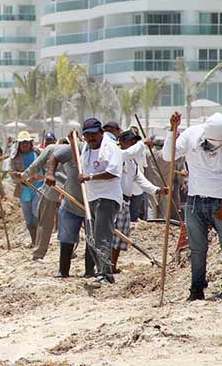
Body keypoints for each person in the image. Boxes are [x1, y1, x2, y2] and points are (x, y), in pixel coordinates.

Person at [163, 112, 222, 301]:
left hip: (220, 202)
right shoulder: (191, 134)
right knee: (196, 249)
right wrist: (173, 131)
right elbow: (167, 155)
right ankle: (196, 289)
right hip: (195, 201)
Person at [114, 131, 166, 273]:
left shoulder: (132, 163)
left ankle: (112, 265)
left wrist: (157, 190)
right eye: (131, 142)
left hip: (125, 202)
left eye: (135, 142)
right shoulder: (118, 155)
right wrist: (142, 143)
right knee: (112, 235)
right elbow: (131, 151)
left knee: (121, 236)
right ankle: (105, 266)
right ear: (123, 143)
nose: (133, 145)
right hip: (114, 201)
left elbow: (141, 181)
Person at [78, 118, 123, 285]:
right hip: (90, 197)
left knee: (102, 236)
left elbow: (113, 172)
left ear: (101, 133)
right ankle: (100, 270)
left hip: (107, 198)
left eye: (94, 134)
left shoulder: (111, 149)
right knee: (91, 238)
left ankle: (105, 274)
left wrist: (89, 177)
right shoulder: (85, 149)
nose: (91, 138)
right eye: (87, 135)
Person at [46, 135, 87, 278]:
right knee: (66, 239)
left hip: (92, 206)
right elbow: (54, 157)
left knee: (93, 239)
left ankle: (90, 271)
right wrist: (50, 174)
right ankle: (63, 271)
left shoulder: (105, 151)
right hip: (71, 202)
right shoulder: (76, 148)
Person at [21, 142, 64, 261]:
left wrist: (23, 176)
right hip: (60, 188)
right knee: (66, 221)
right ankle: (69, 252)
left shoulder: (51, 149)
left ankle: (39, 253)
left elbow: (36, 165)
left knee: (45, 223)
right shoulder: (77, 148)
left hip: (55, 189)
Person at [11, 131, 42, 246]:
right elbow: (13, 174)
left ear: (30, 143)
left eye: (26, 142)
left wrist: (34, 178)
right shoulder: (15, 158)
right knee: (29, 220)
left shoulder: (38, 153)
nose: (24, 145)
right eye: (22, 143)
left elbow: (43, 168)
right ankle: (34, 241)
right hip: (23, 191)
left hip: (39, 188)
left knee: (36, 215)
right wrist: (21, 180)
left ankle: (39, 242)